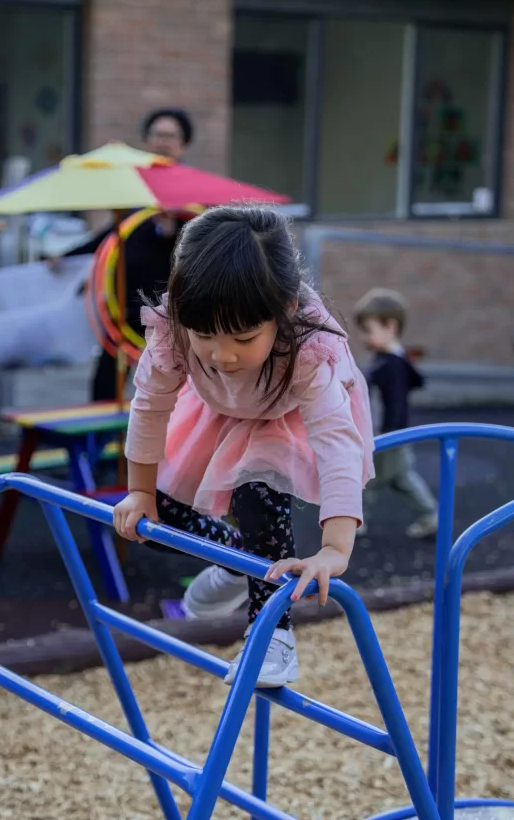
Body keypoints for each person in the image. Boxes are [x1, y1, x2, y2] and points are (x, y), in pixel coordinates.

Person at [112, 206, 374, 688]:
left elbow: (338, 443)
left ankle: (272, 634)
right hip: (217, 410)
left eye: (243, 337)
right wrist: (139, 492)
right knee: (158, 512)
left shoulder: (308, 352)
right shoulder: (173, 333)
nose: (222, 354)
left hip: (284, 417)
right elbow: (148, 406)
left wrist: (335, 549)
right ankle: (234, 557)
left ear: (286, 310)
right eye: (205, 335)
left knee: (258, 492)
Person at [66, 107, 195, 401]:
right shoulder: (137, 184)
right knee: (106, 384)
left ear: (183, 143)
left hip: (168, 304)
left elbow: (201, 240)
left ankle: (168, 442)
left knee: (167, 383)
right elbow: (113, 234)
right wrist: (66, 256)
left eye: (170, 136)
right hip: (124, 302)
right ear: (146, 141)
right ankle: (102, 441)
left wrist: (170, 228)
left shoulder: (193, 189)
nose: (162, 141)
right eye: (156, 135)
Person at [354, 288, 438, 540]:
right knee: (402, 478)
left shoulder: (390, 365)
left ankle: (355, 521)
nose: (363, 336)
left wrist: (384, 435)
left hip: (389, 434)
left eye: (368, 330)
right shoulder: (395, 360)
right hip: (396, 433)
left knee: (367, 479)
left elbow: (394, 403)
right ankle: (430, 514)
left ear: (390, 327)